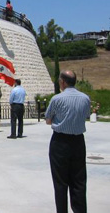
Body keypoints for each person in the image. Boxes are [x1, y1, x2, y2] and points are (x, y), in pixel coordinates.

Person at [45, 71, 90, 213]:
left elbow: (48, 120)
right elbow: (86, 116)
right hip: (78, 141)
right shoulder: (85, 98)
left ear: (63, 82)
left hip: (60, 142)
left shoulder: (57, 99)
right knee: (79, 181)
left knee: (60, 182)